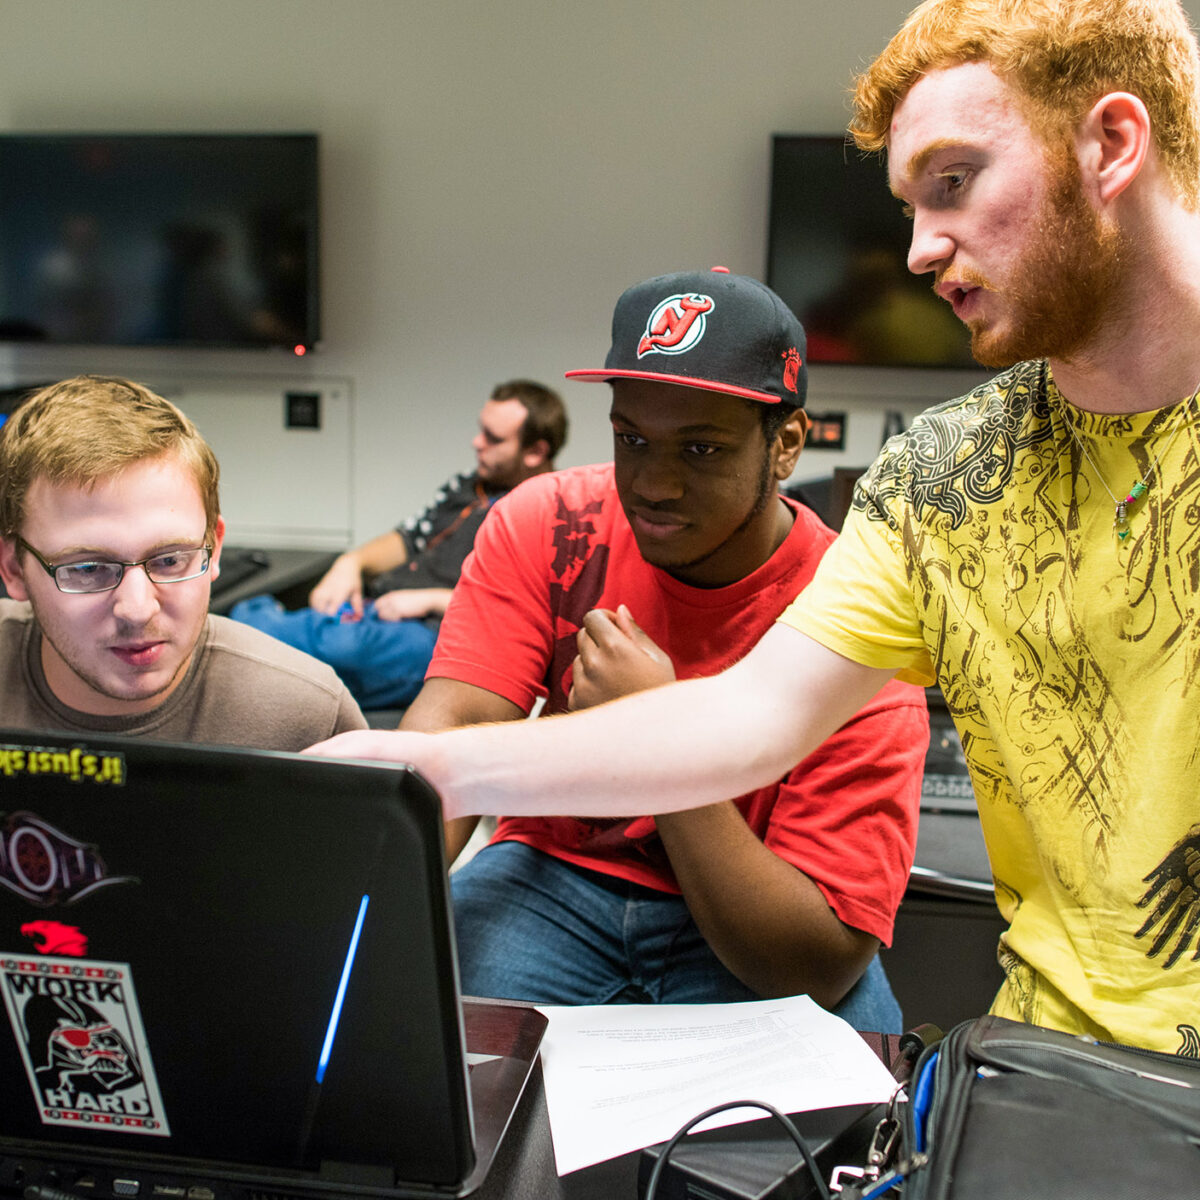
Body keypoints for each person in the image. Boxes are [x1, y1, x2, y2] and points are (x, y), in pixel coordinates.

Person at [308, 0, 1200, 1054]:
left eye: (954, 182)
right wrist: (425, 770)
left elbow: (815, 952)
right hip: (1052, 1063)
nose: (917, 250)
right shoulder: (943, 478)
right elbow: (749, 720)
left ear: (1111, 144)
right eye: (910, 205)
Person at [404, 268, 929, 1030]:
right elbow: (444, 740)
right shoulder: (549, 524)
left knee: (845, 1105)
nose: (652, 482)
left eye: (701, 450)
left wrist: (658, 732)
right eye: (633, 438)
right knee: (402, 1028)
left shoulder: (853, 606)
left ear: (784, 444)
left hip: (750, 913)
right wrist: (359, 911)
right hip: (554, 880)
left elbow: (812, 963)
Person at [0, 375, 366, 748]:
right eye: (87, 569)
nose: (138, 610)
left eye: (170, 560)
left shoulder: (307, 717)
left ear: (215, 548)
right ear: (13, 568)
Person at [231, 380, 567, 710]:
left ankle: (250, 625)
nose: (477, 442)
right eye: (481, 431)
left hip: (438, 635)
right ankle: (252, 627)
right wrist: (352, 562)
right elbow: (408, 539)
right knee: (323, 634)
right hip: (383, 609)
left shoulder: (548, 513)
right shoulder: (468, 485)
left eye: (493, 439)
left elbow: (527, 613)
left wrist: (431, 600)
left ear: (535, 451)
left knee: (339, 647)